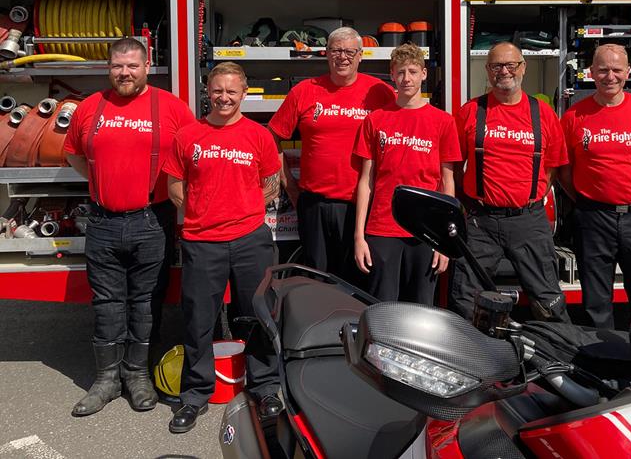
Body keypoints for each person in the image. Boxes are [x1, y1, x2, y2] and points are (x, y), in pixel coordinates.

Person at [64, 37, 195, 417]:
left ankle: (137, 374)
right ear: (109, 68)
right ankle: (106, 379)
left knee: (145, 302)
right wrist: (102, 180)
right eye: (118, 66)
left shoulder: (170, 107)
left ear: (147, 65)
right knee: (106, 304)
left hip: (152, 220)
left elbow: (191, 153)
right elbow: (73, 152)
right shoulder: (90, 108)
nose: (125, 73)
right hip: (103, 221)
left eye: (132, 66)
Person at [164, 62, 282, 433]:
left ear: (244, 93)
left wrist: (241, 209)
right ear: (208, 92)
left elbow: (272, 182)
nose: (224, 97)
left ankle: (266, 387)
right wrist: (206, 212)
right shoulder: (187, 136)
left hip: (251, 239)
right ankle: (196, 395)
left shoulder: (259, 136)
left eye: (232, 91)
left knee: (258, 315)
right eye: (218, 90)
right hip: (202, 241)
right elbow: (174, 188)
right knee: (199, 320)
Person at [449, 42, 570, 323]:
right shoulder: (470, 112)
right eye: (496, 66)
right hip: (481, 222)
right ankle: (469, 359)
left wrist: (528, 197)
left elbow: (552, 169)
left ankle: (554, 360)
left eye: (510, 65)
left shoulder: (543, 114)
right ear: (488, 71)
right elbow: (454, 167)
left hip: (529, 220)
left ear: (523, 68)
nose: (504, 71)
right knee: (465, 297)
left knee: (548, 300)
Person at [559, 43, 631, 329]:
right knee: (596, 301)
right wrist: (589, 200)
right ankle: (603, 362)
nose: (610, 76)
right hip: (593, 219)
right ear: (591, 73)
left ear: (628, 73)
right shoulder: (574, 116)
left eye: (617, 70)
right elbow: (564, 171)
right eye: (603, 70)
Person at [268, 27, 395, 281]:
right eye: (336, 50)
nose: (343, 57)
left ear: (361, 55)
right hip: (315, 203)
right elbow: (271, 137)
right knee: (316, 278)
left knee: (358, 277)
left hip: (362, 206)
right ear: (326, 54)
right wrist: (288, 184)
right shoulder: (304, 91)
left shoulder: (379, 92)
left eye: (350, 51)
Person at [353, 43, 462, 304]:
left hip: (425, 231)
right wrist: (359, 235)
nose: (407, 79)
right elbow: (366, 180)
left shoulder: (442, 121)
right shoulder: (375, 120)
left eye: (413, 71)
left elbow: (448, 183)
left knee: (421, 310)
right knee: (382, 308)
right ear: (392, 75)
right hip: (382, 229)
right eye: (400, 72)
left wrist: (445, 241)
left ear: (424, 74)